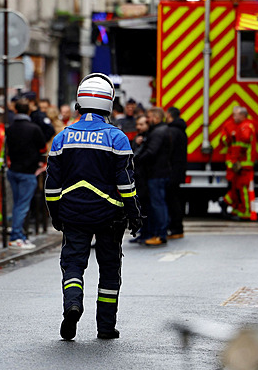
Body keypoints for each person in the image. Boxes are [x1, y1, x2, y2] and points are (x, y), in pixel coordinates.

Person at [45, 73, 143, 340]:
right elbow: (126, 184)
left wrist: (56, 215)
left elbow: (51, 186)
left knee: (73, 265)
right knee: (109, 270)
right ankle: (106, 327)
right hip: (110, 217)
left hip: (73, 214)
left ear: (79, 103)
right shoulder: (117, 138)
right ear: (109, 104)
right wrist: (134, 215)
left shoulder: (62, 138)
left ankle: (72, 304)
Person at [6, 98, 45, 249]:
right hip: (28, 172)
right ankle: (16, 236)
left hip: (13, 169)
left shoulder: (10, 128)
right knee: (22, 206)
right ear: (28, 111)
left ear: (15, 110)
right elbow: (42, 147)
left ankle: (19, 234)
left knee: (17, 204)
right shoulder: (33, 129)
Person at [134, 107, 172, 246]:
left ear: (155, 117)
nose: (148, 119)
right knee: (158, 204)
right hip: (159, 173)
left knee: (158, 205)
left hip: (156, 174)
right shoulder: (160, 131)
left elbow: (151, 152)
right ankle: (159, 233)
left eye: (149, 117)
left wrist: (135, 161)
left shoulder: (157, 132)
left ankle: (161, 235)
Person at [219, 106, 256, 220]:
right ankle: (234, 207)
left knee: (242, 189)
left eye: (236, 114)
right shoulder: (232, 125)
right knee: (236, 188)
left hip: (243, 164)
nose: (234, 116)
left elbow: (242, 143)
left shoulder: (246, 126)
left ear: (242, 115)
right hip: (237, 164)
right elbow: (224, 140)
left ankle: (242, 211)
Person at [165, 107, 188, 239]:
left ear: (169, 115)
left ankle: (176, 228)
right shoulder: (180, 131)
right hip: (178, 170)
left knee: (172, 200)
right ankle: (176, 228)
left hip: (172, 171)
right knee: (175, 199)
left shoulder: (172, 131)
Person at [129, 114, 150, 243]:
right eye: (138, 124)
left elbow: (136, 156)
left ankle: (147, 232)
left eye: (141, 124)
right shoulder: (138, 138)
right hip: (138, 177)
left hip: (144, 177)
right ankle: (142, 232)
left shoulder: (147, 138)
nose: (138, 127)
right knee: (140, 206)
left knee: (146, 207)